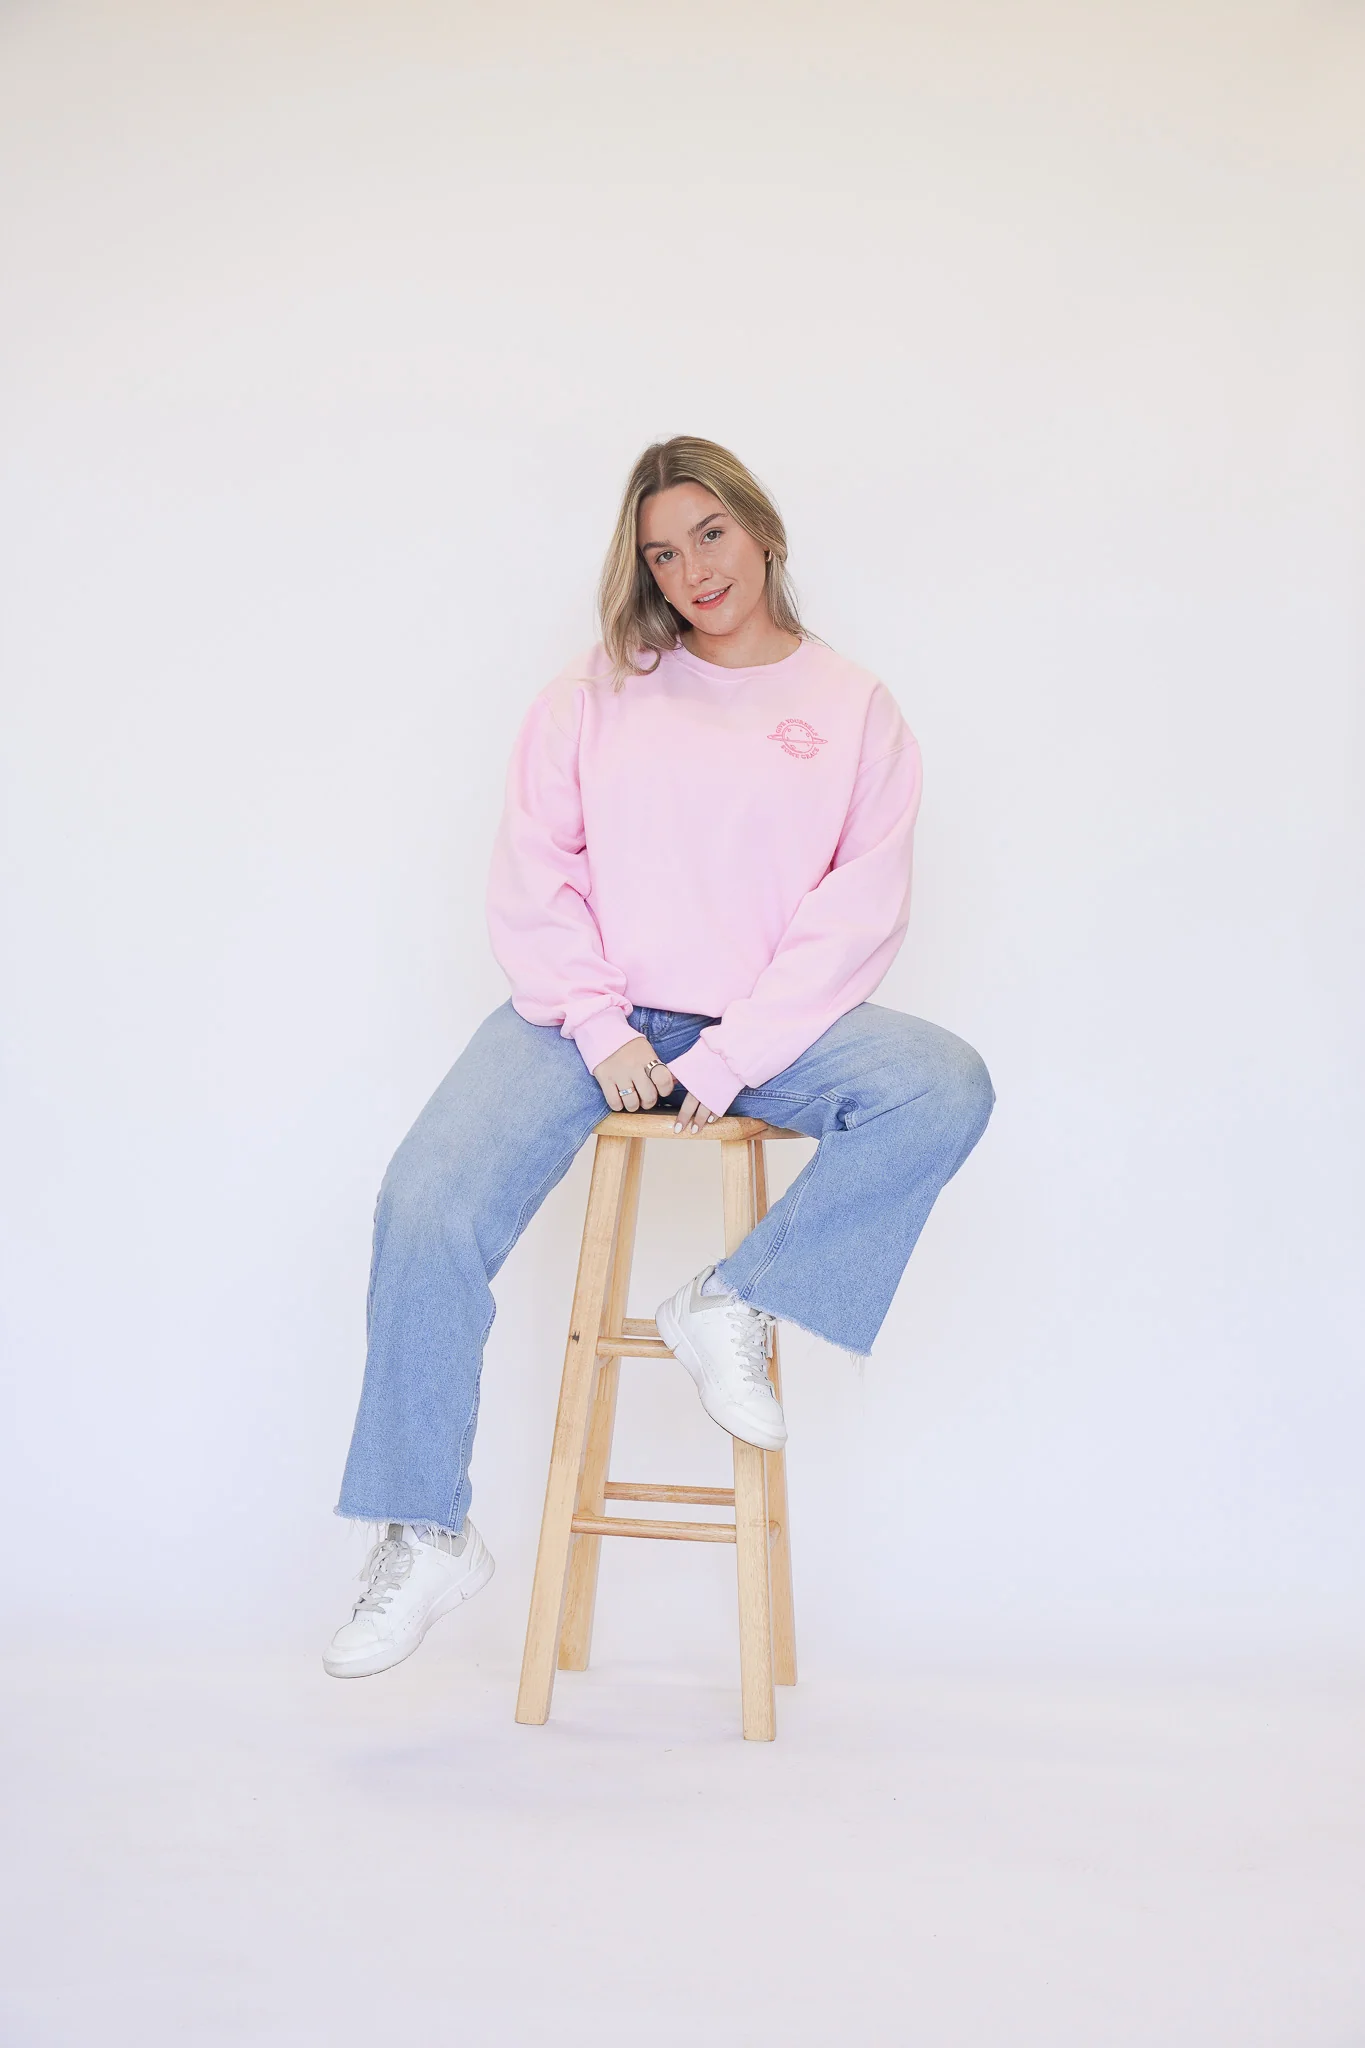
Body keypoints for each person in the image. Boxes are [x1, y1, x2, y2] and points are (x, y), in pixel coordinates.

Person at [323, 436, 994, 1679]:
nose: (693, 570)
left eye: (711, 534)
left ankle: (733, 1298)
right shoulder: (595, 692)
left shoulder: (854, 708)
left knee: (942, 1083)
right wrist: (600, 1025)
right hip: (593, 1018)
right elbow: (538, 868)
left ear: (763, 528)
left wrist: (735, 1054)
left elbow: (856, 912)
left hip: (763, 1023)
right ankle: (424, 1530)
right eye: (663, 553)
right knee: (425, 1200)